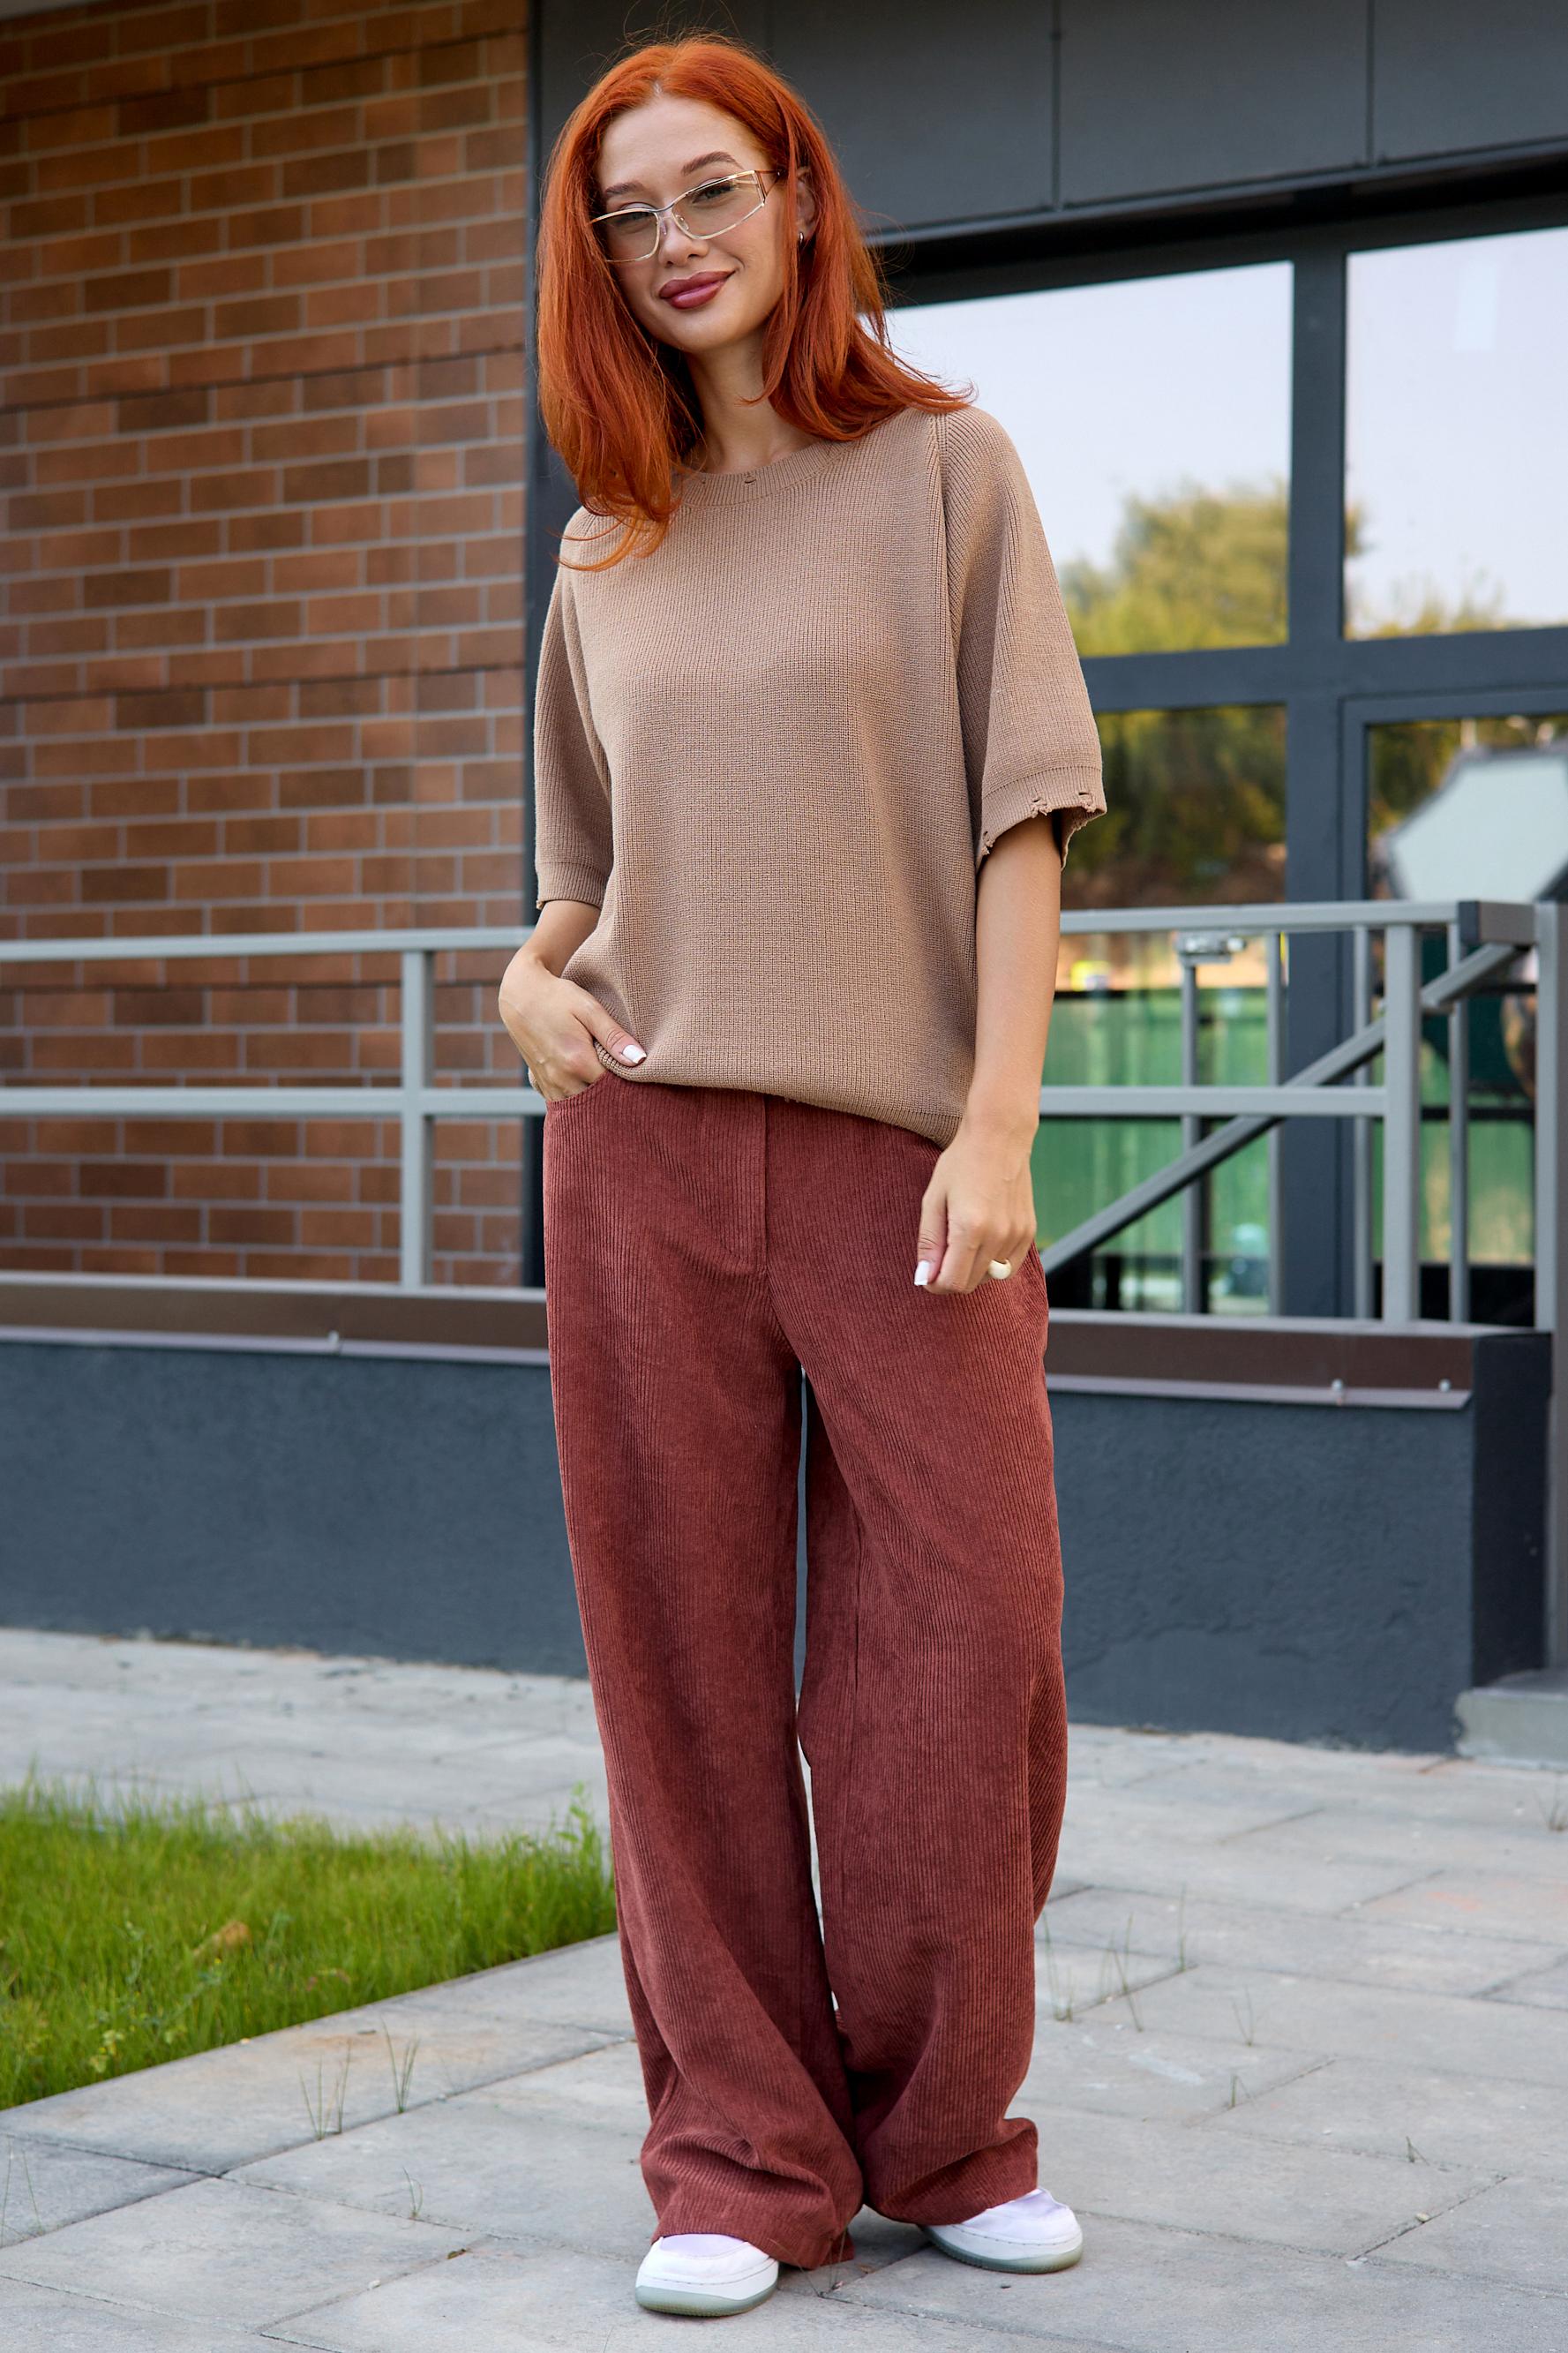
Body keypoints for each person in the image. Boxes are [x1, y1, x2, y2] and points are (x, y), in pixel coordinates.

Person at [498, 30, 1107, 2323]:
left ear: (795, 195)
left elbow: (1022, 816)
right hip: (643, 1151)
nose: (672, 244)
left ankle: (945, 2132)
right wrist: (520, 985)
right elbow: (579, 887)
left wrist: (995, 1120)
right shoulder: (607, 548)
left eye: (707, 192)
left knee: (967, 1643)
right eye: (625, 216)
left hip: (902, 1159)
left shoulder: (945, 472)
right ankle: (741, 2157)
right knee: (676, 1669)